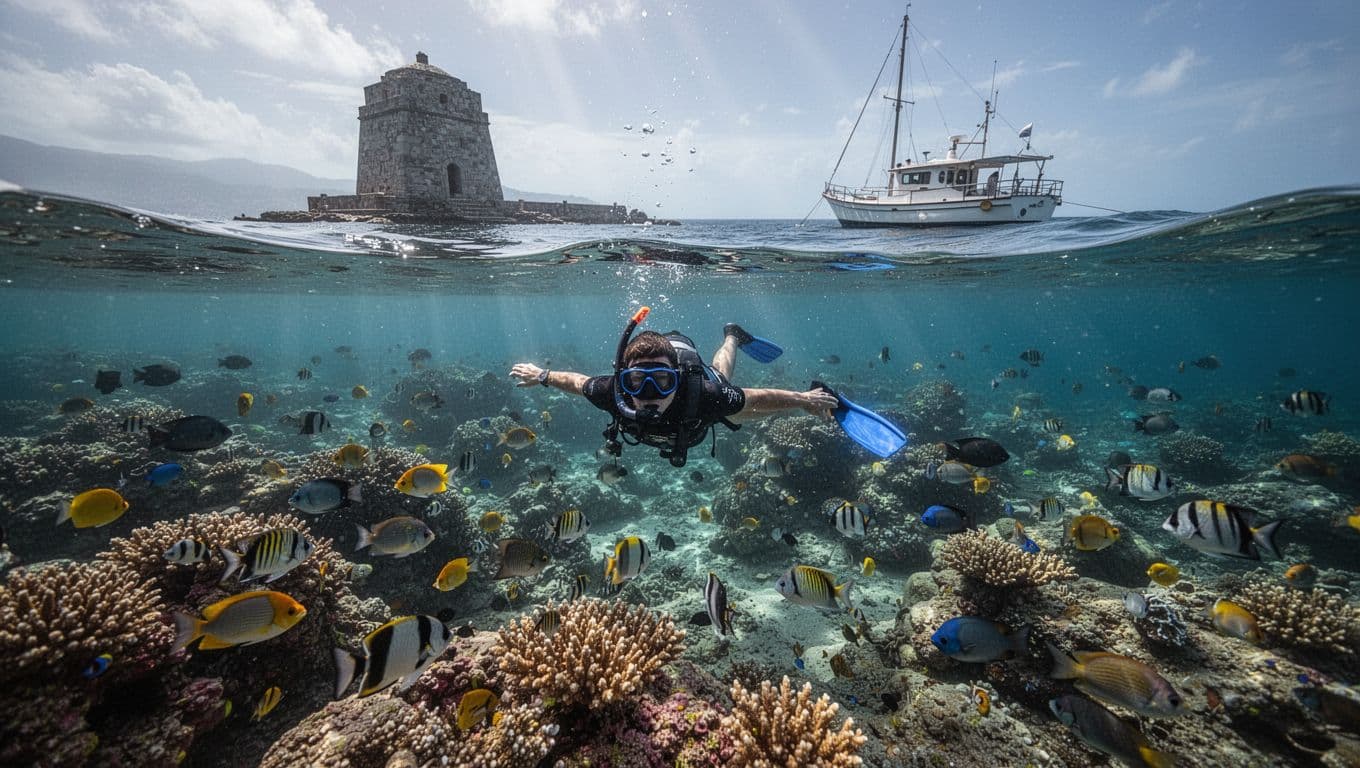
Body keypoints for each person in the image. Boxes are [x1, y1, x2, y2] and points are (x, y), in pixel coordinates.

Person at [510, 314, 838, 468]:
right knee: (737, 410)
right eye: (638, 381)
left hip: (700, 407)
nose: (650, 391)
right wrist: (542, 375)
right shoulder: (612, 392)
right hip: (692, 423)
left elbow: (757, 396)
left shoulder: (704, 394)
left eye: (662, 380)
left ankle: (732, 336)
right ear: (623, 380)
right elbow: (576, 383)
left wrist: (804, 399)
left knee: (725, 383)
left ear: (677, 378)